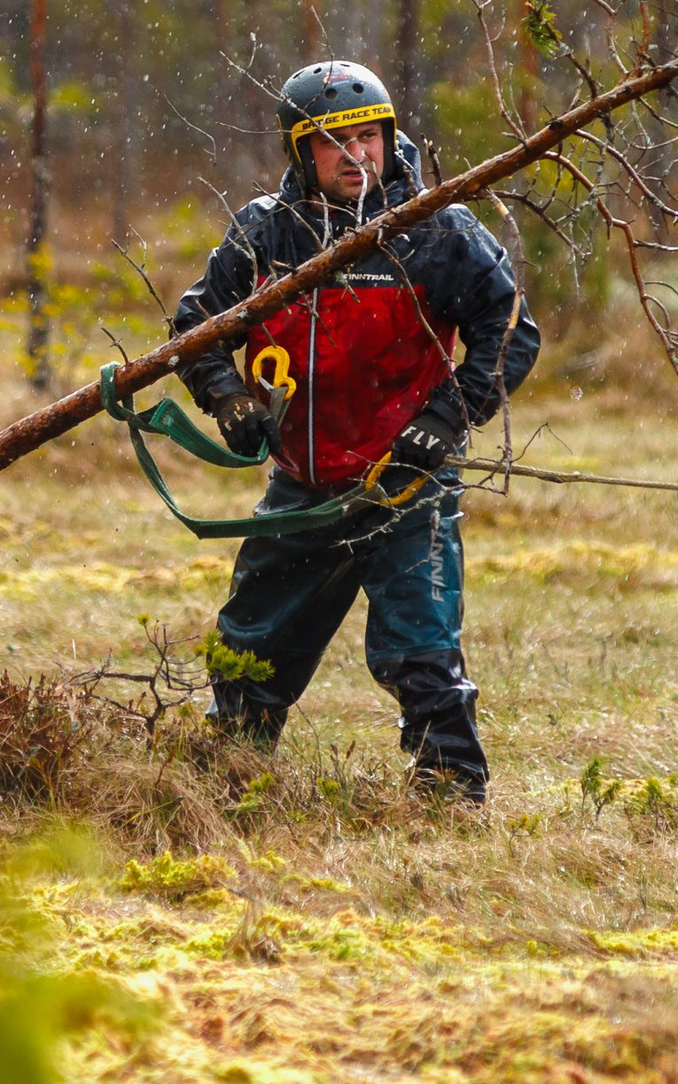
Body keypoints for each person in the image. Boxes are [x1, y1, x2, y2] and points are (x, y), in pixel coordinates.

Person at [171, 61, 539, 801]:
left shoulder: (437, 229)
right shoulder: (265, 232)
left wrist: (447, 416)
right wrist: (227, 397)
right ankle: (225, 788)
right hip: (303, 487)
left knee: (421, 654)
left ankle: (450, 799)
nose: (356, 156)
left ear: (388, 139)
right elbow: (196, 328)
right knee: (250, 649)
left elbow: (508, 330)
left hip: (406, 486)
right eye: (334, 143)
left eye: (368, 138)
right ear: (301, 153)